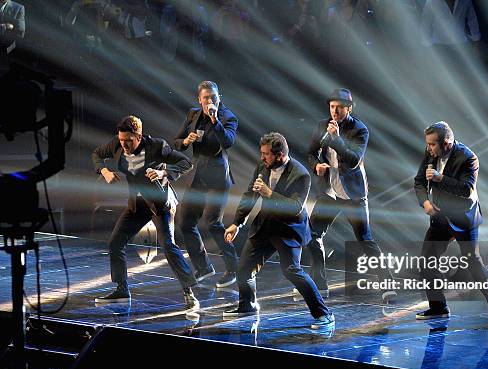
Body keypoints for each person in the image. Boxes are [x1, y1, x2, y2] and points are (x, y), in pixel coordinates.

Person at [222, 132, 335, 330]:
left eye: (266, 154)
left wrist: (269, 193)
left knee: (292, 271)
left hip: (288, 229)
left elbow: (295, 207)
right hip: (265, 225)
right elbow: (250, 195)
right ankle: (247, 305)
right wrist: (237, 223)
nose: (262, 157)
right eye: (262, 153)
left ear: (280, 155)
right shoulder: (262, 166)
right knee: (244, 268)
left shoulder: (301, 174)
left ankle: (325, 314)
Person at [91, 115, 199, 312]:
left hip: (160, 202)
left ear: (139, 137)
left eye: (128, 141)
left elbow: (186, 163)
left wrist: (163, 173)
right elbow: (97, 155)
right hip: (138, 203)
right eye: (121, 140)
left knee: (168, 245)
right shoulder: (117, 143)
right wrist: (105, 171)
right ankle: (122, 289)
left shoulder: (157, 146)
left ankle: (189, 293)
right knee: (115, 243)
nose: (124, 144)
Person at [413, 121, 488, 329]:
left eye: (432, 145)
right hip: (440, 216)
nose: (429, 149)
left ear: (446, 143)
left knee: (473, 264)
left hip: (463, 217)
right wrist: (425, 202)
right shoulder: (430, 153)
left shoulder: (468, 157)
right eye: (428, 144)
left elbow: (466, 189)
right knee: (427, 262)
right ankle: (438, 307)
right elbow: (419, 181)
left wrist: (440, 178)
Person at [305, 88, 392, 301]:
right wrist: (316, 165)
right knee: (313, 235)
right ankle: (320, 283)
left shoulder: (359, 130)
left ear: (349, 108)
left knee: (365, 239)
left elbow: (353, 160)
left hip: (352, 192)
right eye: (332, 107)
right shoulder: (321, 125)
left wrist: (335, 139)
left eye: (340, 108)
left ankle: (387, 283)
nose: (335, 111)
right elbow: (310, 153)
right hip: (329, 191)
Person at [173, 80, 239, 288]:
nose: (210, 101)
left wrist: (214, 119)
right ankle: (203, 266)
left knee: (213, 222)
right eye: (206, 98)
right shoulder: (193, 115)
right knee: (185, 221)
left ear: (220, 98)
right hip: (199, 176)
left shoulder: (227, 117)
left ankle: (233, 268)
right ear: (199, 100)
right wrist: (186, 141)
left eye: (214, 97)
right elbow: (176, 142)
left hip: (218, 179)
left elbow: (228, 141)